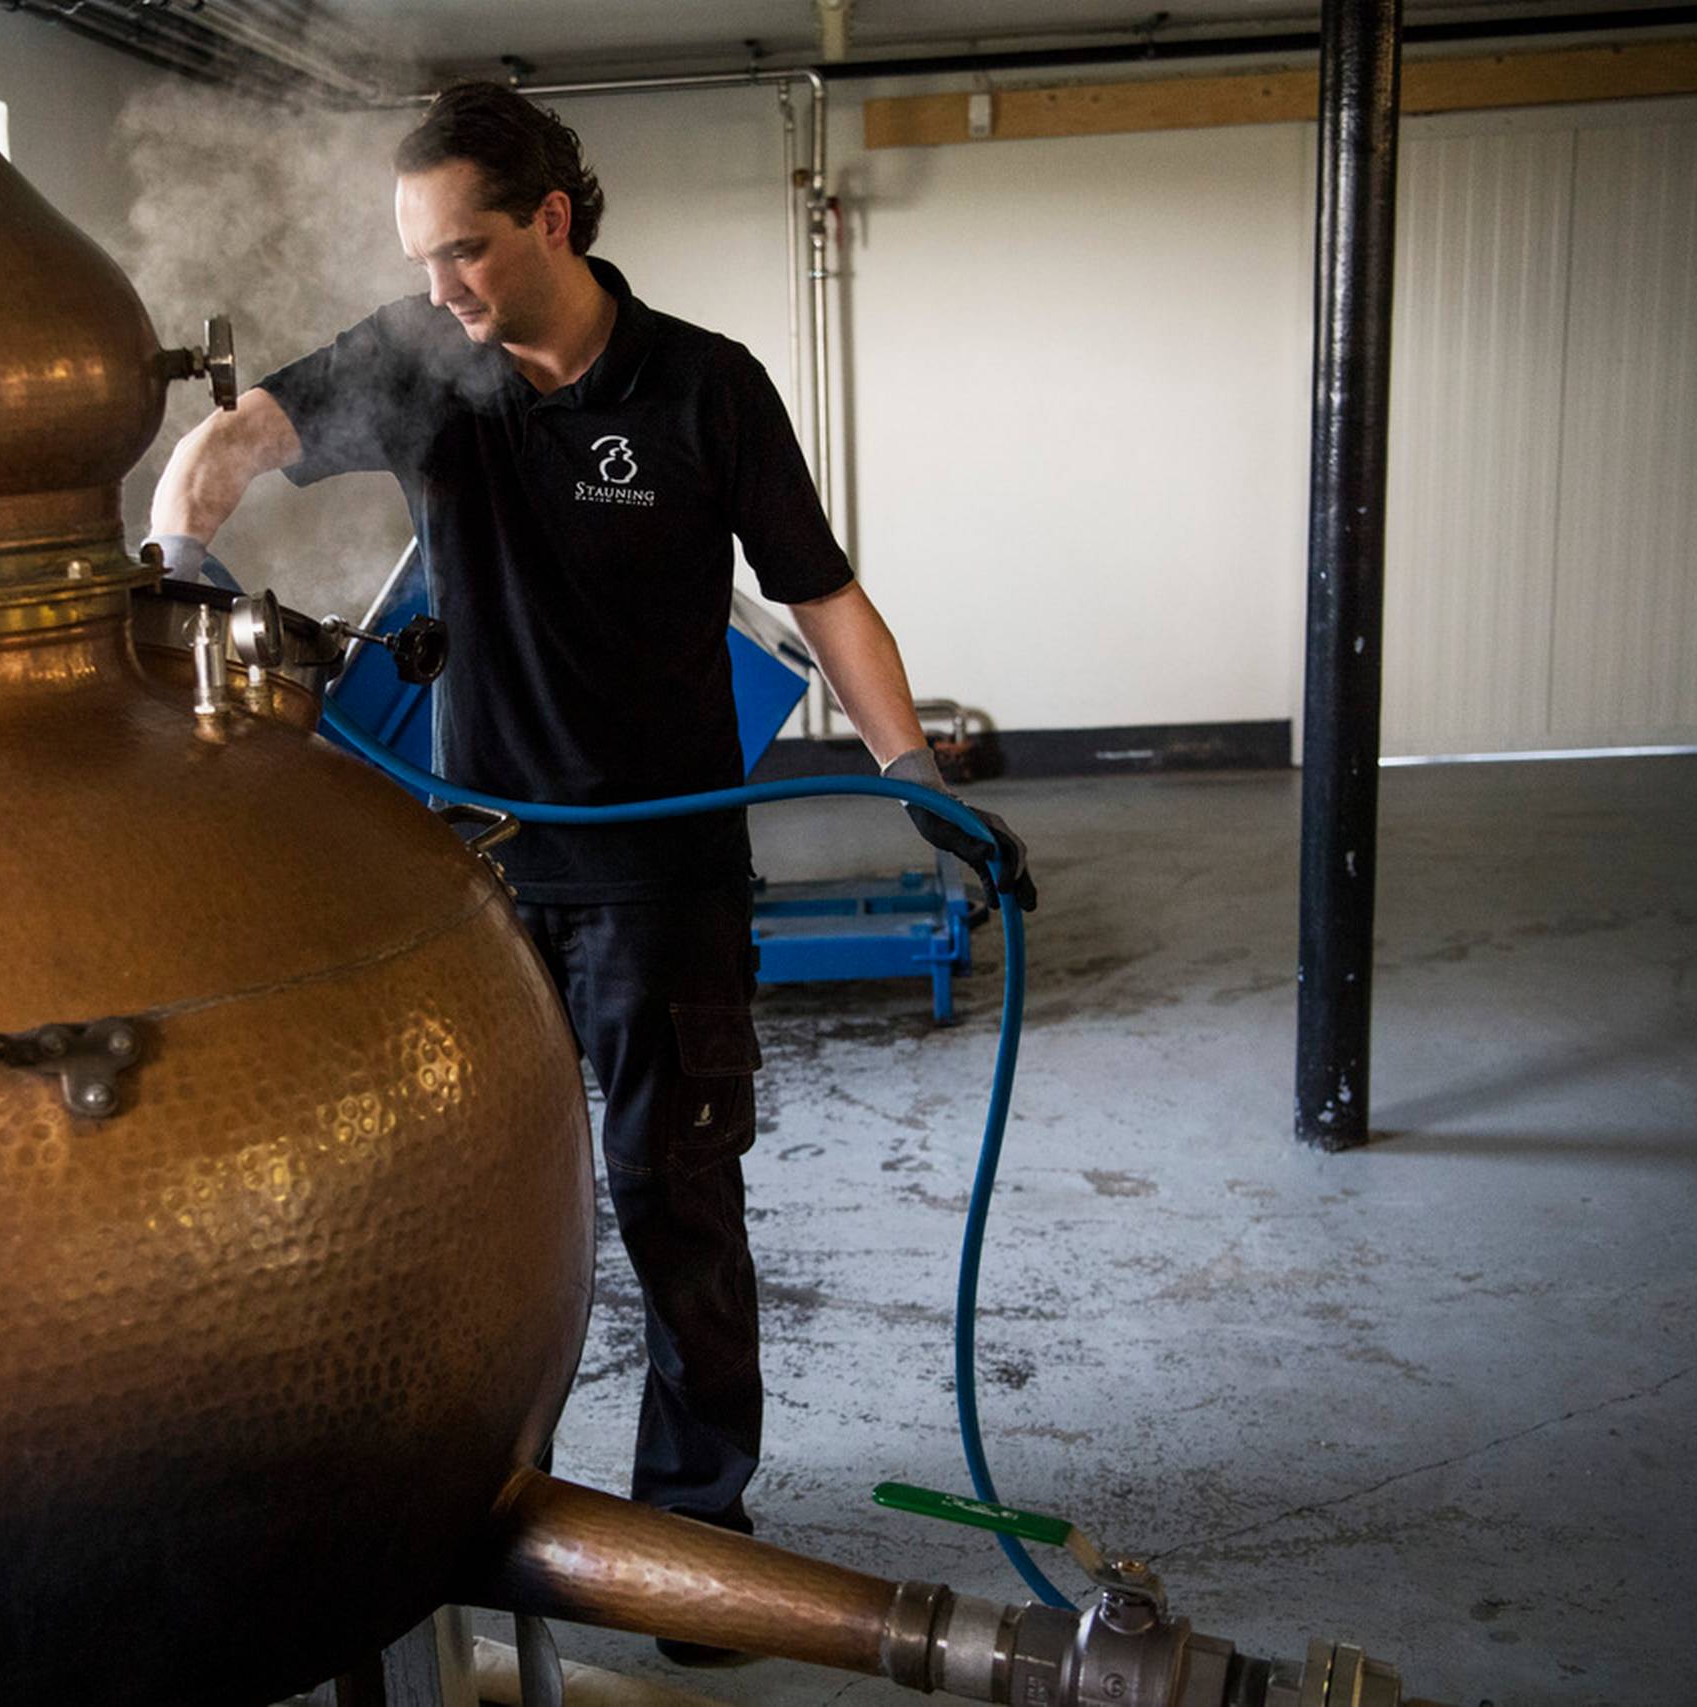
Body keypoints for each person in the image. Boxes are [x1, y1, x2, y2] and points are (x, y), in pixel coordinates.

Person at [147, 80, 1035, 1663]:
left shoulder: (706, 389)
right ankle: (493, 1515)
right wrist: (178, 547)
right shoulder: (423, 368)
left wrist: (912, 773)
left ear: (553, 219)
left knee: (673, 1200)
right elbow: (232, 448)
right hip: (474, 879)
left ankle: (699, 1546)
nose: (442, 289)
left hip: (663, 877)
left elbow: (822, 598)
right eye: (421, 255)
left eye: (468, 250)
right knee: (486, 1210)